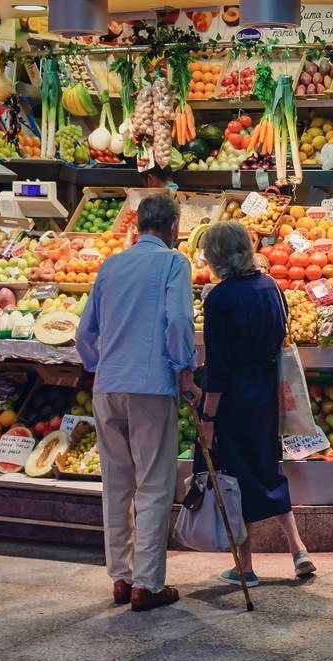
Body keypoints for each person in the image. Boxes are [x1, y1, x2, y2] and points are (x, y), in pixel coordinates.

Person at [77, 193, 199, 611]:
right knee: (153, 484)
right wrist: (184, 367)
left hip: (107, 387)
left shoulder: (111, 265)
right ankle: (147, 584)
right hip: (151, 388)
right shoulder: (173, 263)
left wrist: (102, 366)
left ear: (136, 226)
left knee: (115, 484)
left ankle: (120, 578)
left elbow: (84, 334)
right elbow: (180, 320)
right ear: (172, 229)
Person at [198, 221, 315, 586]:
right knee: (267, 467)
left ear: (215, 256)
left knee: (233, 478)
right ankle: (298, 549)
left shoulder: (218, 299)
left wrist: (208, 416)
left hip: (233, 396)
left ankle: (244, 566)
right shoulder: (271, 287)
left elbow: (217, 366)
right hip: (266, 390)